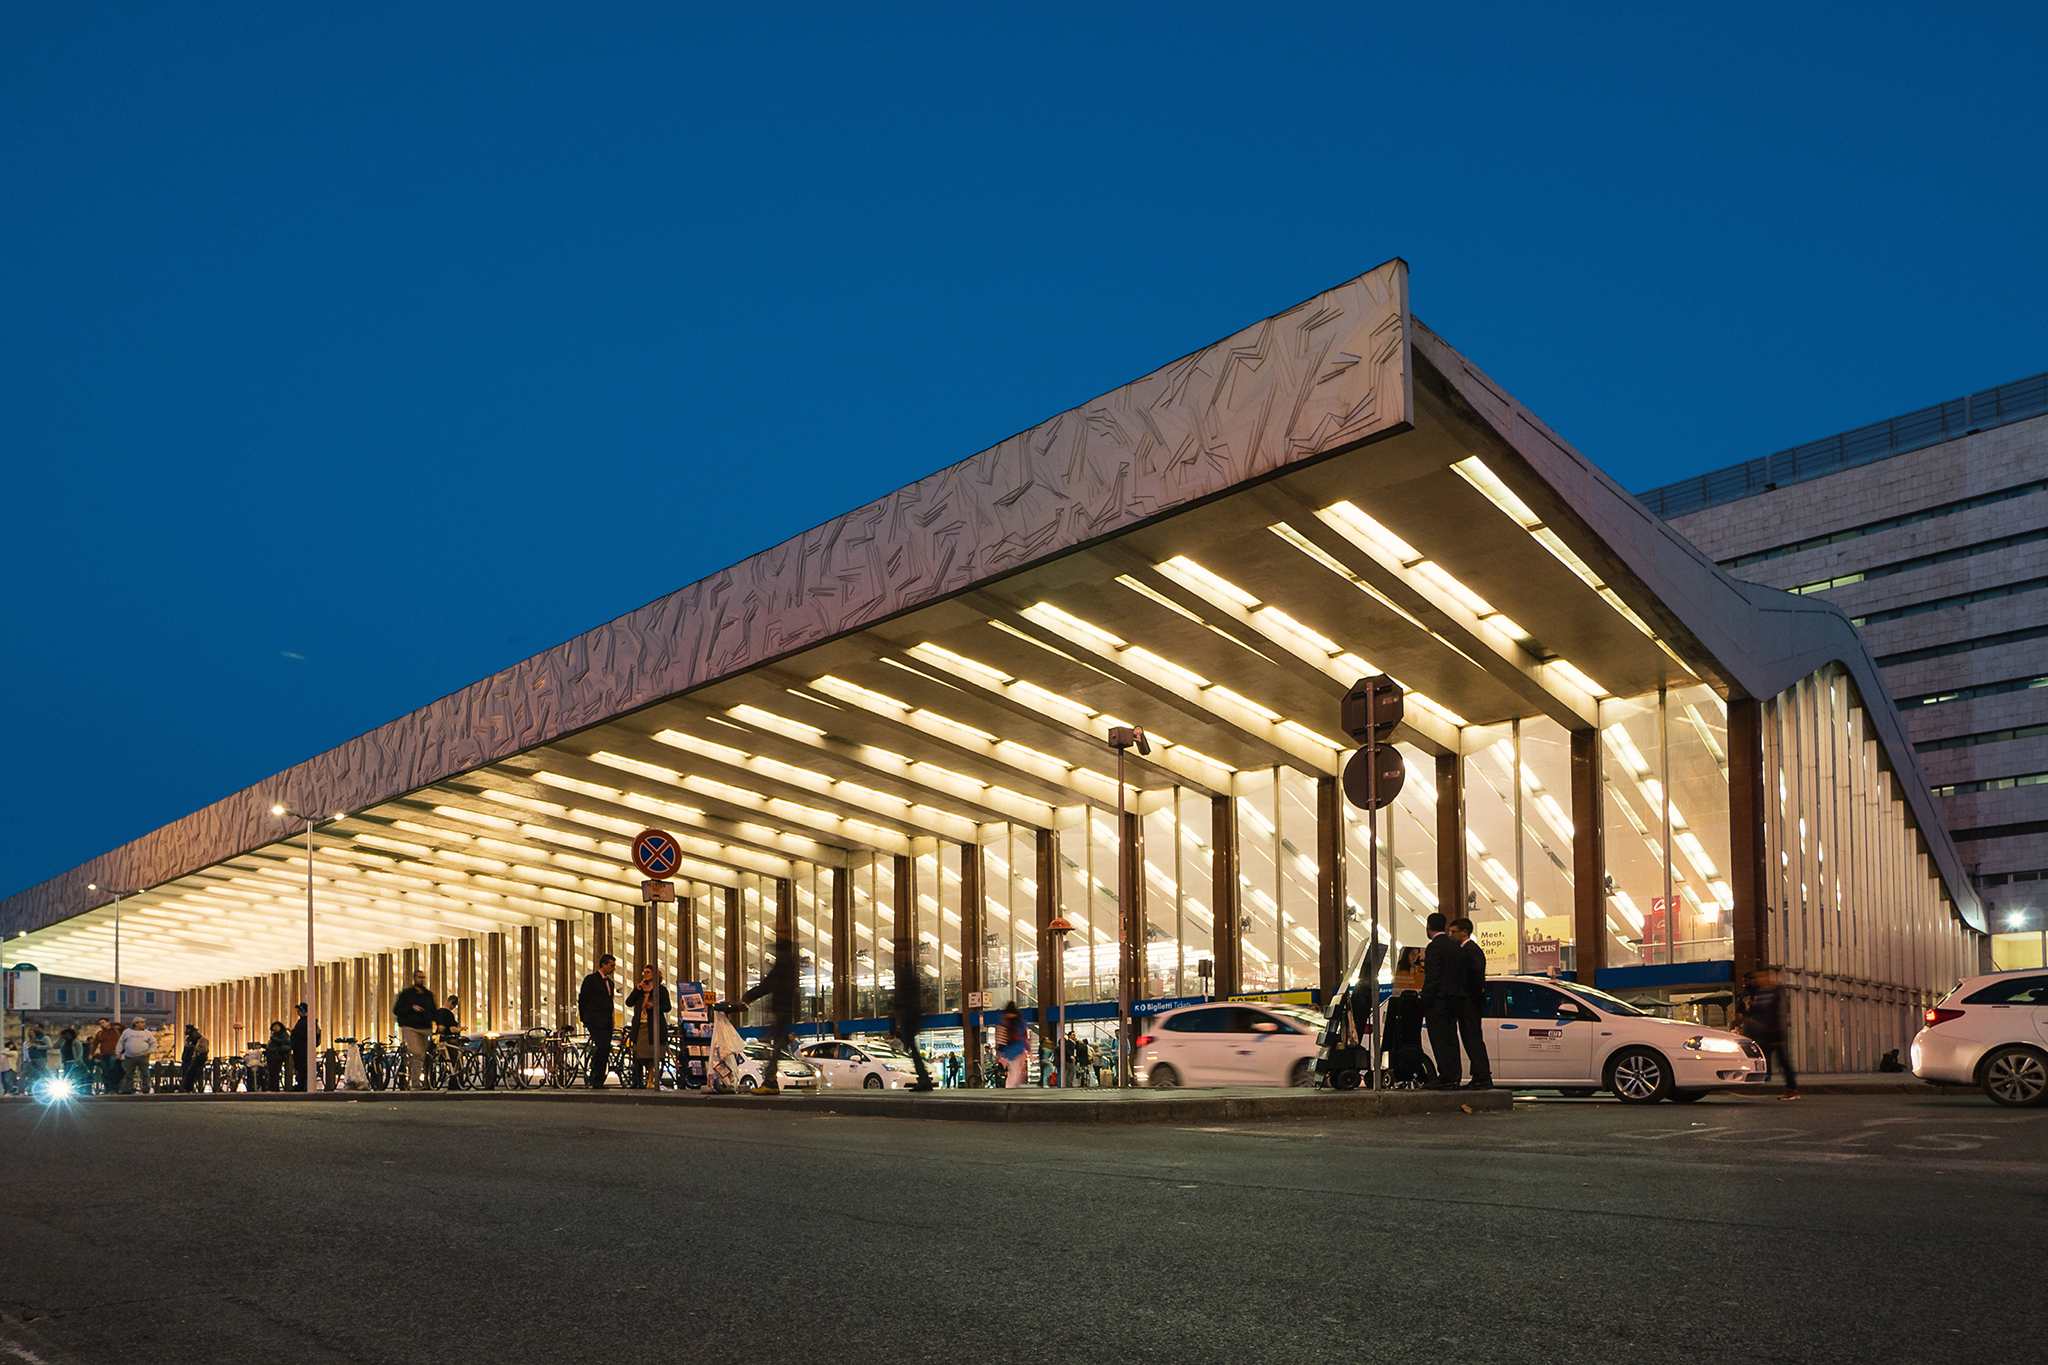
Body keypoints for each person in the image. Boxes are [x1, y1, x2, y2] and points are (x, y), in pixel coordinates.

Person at [738, 937, 798, 1094]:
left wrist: (749, 996)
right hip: (786, 1009)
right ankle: (771, 1081)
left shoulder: (784, 963)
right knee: (776, 1046)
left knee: (775, 1047)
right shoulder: (790, 961)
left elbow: (770, 983)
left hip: (781, 1010)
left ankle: (770, 1082)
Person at [1419, 911, 1468, 1089]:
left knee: (1439, 1038)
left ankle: (1445, 1076)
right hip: (1455, 1000)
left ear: (1428, 927)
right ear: (1446, 927)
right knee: (1451, 1037)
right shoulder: (1456, 947)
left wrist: (1426, 1000)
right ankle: (1455, 1075)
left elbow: (1432, 977)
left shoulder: (1434, 948)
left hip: (1438, 1001)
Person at [1740, 965, 1800, 1100]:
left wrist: (1781, 1031)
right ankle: (1749, 1085)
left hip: (1774, 1031)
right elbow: (1753, 1010)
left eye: (1764, 976)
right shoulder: (1755, 992)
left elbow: (1779, 1012)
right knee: (1759, 1059)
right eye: (1759, 977)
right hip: (1760, 1032)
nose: (1761, 980)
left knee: (1782, 1061)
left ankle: (1792, 1089)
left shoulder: (1777, 990)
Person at [1449, 918, 1494, 1089]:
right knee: (1471, 1039)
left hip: (1470, 1004)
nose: (1450, 935)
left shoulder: (1470, 951)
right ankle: (1479, 1076)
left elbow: (1475, 979)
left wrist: (1466, 995)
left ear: (1464, 932)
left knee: (1472, 1039)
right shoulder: (1468, 950)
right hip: (1470, 1003)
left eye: (1453, 932)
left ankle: (1482, 1076)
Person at [623, 965, 671, 1090]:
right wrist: (637, 990)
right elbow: (629, 1002)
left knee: (654, 1054)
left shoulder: (661, 990)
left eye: (648, 972)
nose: (645, 974)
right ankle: (640, 1080)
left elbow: (667, 1007)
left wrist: (654, 1005)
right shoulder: (640, 990)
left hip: (654, 1026)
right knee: (640, 1054)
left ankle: (651, 1080)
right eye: (643, 972)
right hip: (641, 1026)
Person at [578, 954, 619, 1088]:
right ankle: (596, 1076)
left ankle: (599, 1078)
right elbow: (583, 999)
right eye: (611, 965)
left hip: (606, 1020)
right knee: (603, 1045)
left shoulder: (610, 983)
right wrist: (584, 1017)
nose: (613, 968)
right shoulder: (591, 980)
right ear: (604, 964)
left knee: (606, 1047)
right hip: (594, 1019)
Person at [393, 969, 436, 1090]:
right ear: (414, 978)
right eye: (419, 977)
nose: (421, 980)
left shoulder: (428, 995)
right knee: (417, 1053)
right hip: (410, 1026)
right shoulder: (406, 995)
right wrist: (411, 1008)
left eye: (423, 977)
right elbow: (397, 1010)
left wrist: (437, 1022)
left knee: (422, 1055)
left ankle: (422, 1079)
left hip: (425, 1027)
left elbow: (433, 1010)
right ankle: (415, 1082)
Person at [115, 1017, 156, 1093]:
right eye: (142, 1022)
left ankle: (146, 1088)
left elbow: (153, 1043)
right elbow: (121, 1042)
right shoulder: (127, 1032)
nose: (144, 1024)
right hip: (129, 1057)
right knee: (129, 1074)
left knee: (145, 1073)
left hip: (142, 1056)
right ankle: (129, 1089)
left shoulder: (147, 1033)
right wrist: (118, 1052)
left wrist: (150, 1051)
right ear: (136, 1023)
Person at [995, 1001, 1027, 1089]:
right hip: (1018, 1046)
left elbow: (1001, 1034)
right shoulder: (1019, 1019)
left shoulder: (1004, 1019)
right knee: (1015, 1069)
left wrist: (999, 1050)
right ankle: (1011, 1086)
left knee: (1012, 1068)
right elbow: (1023, 1035)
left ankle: (1011, 1085)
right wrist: (1028, 1048)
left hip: (1008, 1048)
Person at [435, 995, 464, 1089]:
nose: (454, 1007)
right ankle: (455, 1083)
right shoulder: (449, 1014)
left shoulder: (437, 1012)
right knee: (455, 1062)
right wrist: (461, 1029)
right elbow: (452, 1029)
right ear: (451, 1002)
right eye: (454, 1005)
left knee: (444, 1061)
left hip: (440, 1039)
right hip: (451, 1040)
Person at [290, 1003, 317, 1092]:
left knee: (303, 1067)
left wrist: (294, 1031)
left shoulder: (308, 1021)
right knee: (300, 1067)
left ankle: (303, 1085)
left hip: (303, 1049)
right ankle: (301, 1084)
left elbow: (305, 1035)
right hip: (299, 1049)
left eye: (299, 1011)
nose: (298, 1013)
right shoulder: (302, 1021)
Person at [92, 1018, 122, 1094]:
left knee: (113, 1071)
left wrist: (114, 1024)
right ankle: (107, 1088)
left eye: (103, 1022)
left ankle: (114, 1089)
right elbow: (95, 1044)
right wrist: (91, 1053)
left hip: (114, 1054)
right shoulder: (100, 1033)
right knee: (105, 1072)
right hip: (104, 1055)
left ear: (108, 1022)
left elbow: (124, 1027)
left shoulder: (115, 1031)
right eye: (100, 1023)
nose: (102, 1024)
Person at [180, 1025, 209, 1093]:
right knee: (185, 1072)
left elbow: (204, 1050)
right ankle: (184, 1088)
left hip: (197, 1059)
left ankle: (188, 1088)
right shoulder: (190, 1040)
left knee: (190, 1072)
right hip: (189, 1059)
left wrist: (194, 1047)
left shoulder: (203, 1040)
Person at [263, 1021, 290, 1091]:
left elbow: (286, 1044)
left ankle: (274, 1088)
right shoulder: (274, 1036)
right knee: (272, 1073)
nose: (275, 1028)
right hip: (272, 1056)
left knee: (274, 1074)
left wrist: (277, 1050)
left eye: (277, 1026)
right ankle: (273, 1088)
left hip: (277, 1057)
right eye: (274, 1026)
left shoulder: (283, 1035)